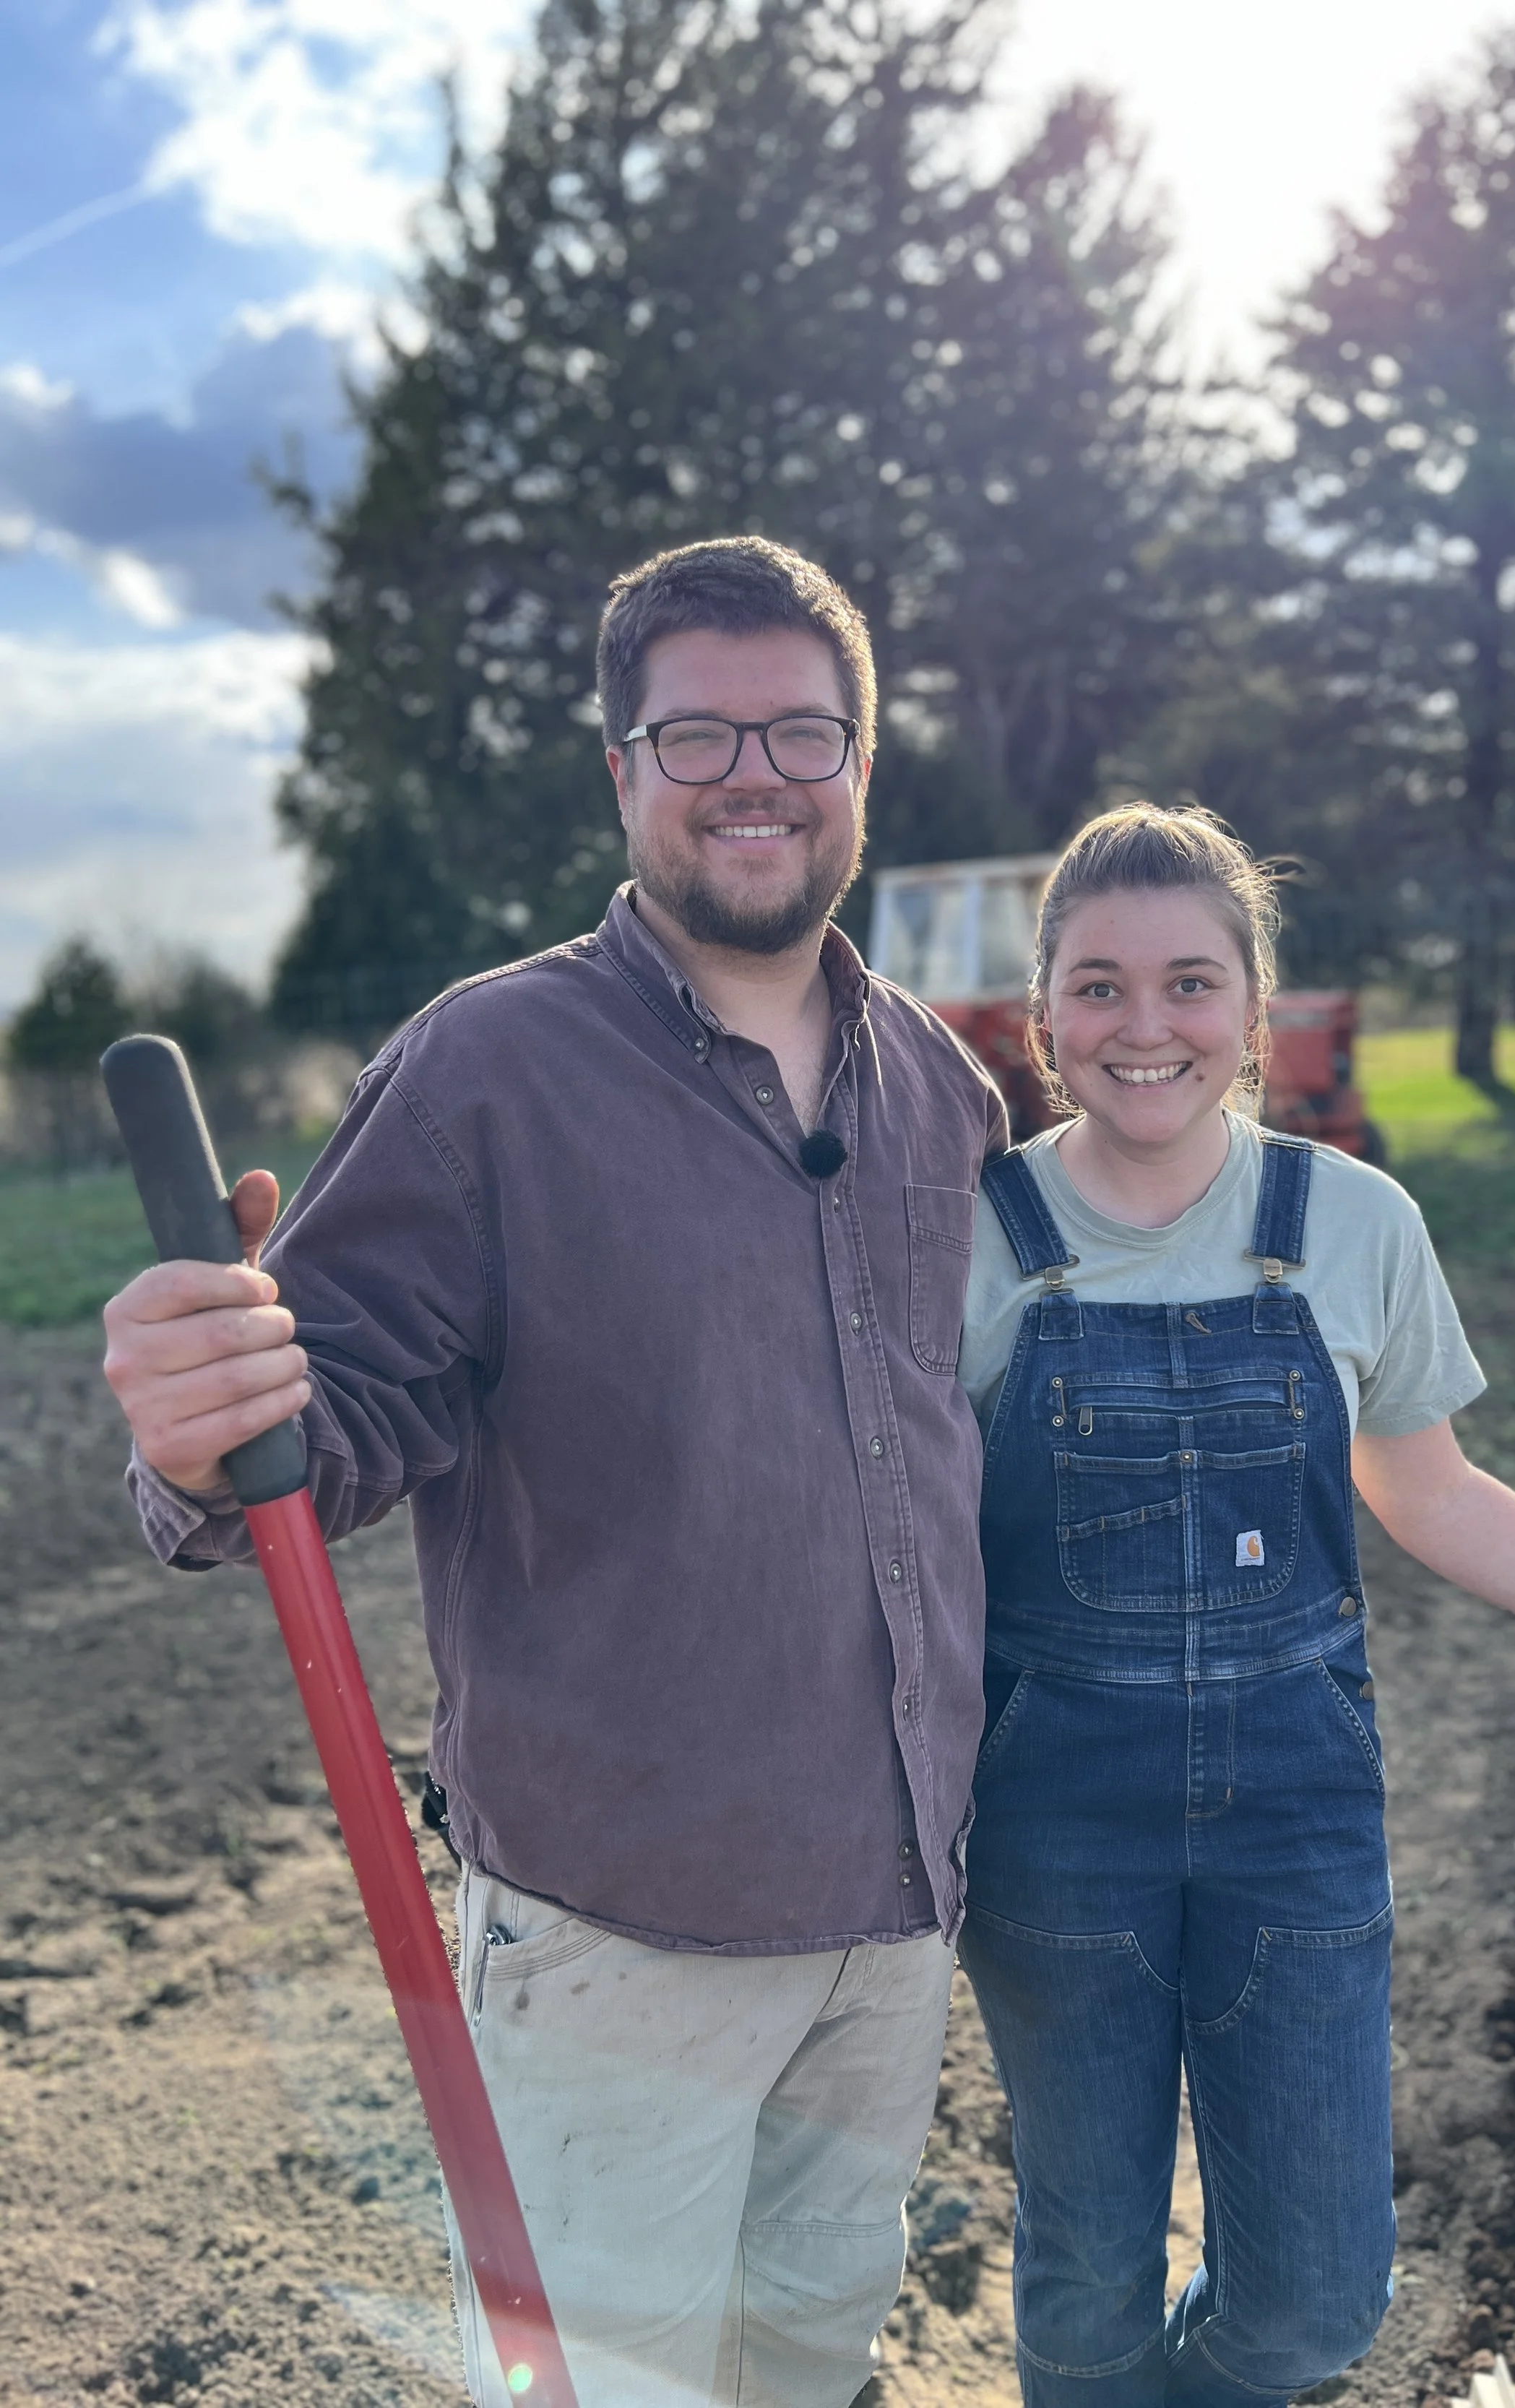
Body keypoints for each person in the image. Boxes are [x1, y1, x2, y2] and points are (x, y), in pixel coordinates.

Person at [100, 537, 1008, 2408]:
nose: (754, 770)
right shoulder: (484, 1068)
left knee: (811, 2352)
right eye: (696, 733)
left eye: (802, 731)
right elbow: (317, 1409)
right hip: (622, 1933)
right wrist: (205, 1425)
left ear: (859, 768)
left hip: (899, 1900)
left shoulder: (945, 1088)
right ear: (620, 770)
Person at [952, 803, 1515, 2408]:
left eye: (1191, 983)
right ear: (1041, 1010)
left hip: (1294, 1805)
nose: (1146, 1027)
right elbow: (899, 1547)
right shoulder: (975, 1241)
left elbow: (1433, 1495)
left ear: (1257, 1010)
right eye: (1099, 985)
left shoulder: (1352, 1225)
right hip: (1054, 1817)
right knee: (1083, 2277)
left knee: (1315, 2299)